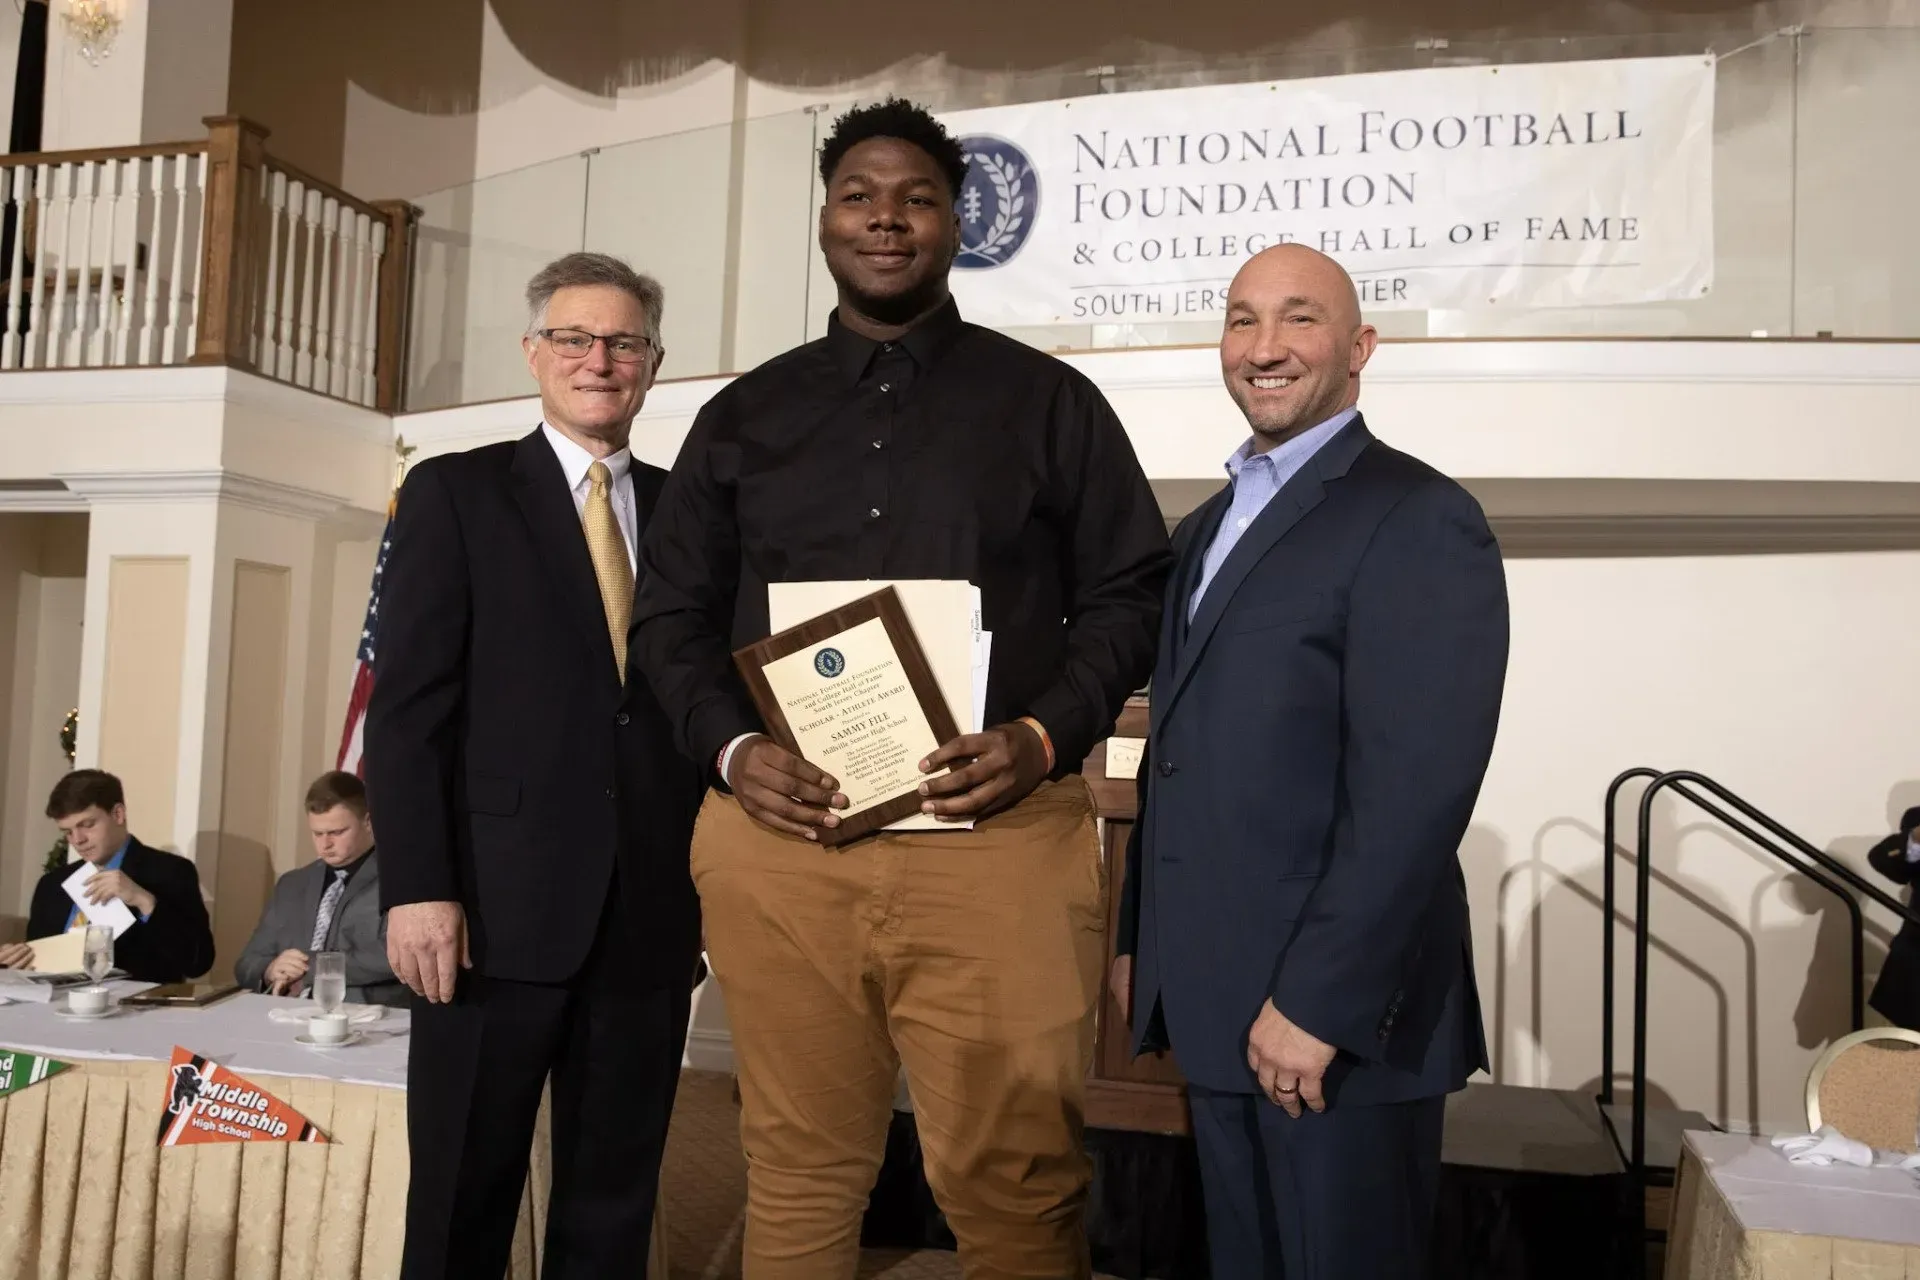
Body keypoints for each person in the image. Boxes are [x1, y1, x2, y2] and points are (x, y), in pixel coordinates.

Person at [633, 98, 1171, 1278]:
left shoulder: (1049, 404)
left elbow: (1133, 591)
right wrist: (730, 751)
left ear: (956, 222)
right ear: (825, 221)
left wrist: (1042, 735)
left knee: (1017, 1178)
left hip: (998, 842)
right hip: (785, 844)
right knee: (797, 1162)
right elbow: (666, 620)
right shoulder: (742, 416)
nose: (887, 218)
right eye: (860, 196)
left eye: (917, 198)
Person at [1111, 244, 1510, 1277]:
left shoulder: (1418, 515)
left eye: (1299, 319)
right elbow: (1177, 754)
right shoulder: (1202, 527)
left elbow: (1414, 791)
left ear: (1360, 346)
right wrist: (1137, 940)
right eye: (1242, 320)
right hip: (1214, 1000)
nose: (1265, 346)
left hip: (1330, 1023)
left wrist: (1319, 1004)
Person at [364, 251, 704, 1279]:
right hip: (485, 920)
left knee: (612, 1206)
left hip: (646, 916)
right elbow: (407, 711)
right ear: (534, 354)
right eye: (575, 338)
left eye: (623, 341)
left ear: (651, 362)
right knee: (465, 1196)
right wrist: (419, 886)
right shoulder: (455, 493)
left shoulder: (695, 511)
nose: (599, 358)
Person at [0, 769, 215, 984]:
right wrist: (19, 959)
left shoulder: (170, 871)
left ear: (118, 814)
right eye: (67, 832)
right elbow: (39, 966)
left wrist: (144, 901)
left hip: (133, 1009)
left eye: (87, 825)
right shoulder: (52, 884)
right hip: (55, 1007)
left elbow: (197, 963)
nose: (77, 840)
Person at [233, 770, 404, 1007]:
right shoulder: (291, 884)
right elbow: (247, 962)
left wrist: (309, 967)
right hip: (284, 1016)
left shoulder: (400, 880)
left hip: (367, 1019)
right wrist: (271, 969)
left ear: (368, 822)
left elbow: (394, 958)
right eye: (317, 833)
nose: (325, 844)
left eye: (337, 832)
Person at [1867, 805, 1920, 1030]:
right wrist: (1916, 840)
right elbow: (1882, 859)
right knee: (1901, 1062)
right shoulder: (1917, 819)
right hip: (1915, 978)